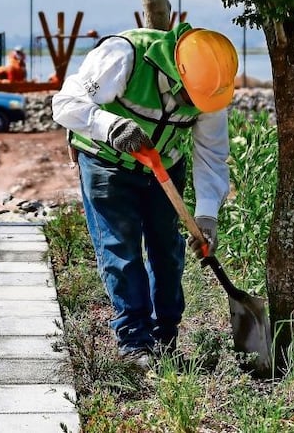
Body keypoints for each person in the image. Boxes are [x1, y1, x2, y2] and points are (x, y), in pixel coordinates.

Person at [51, 22, 237, 367]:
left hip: (163, 165)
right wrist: (111, 126)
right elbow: (64, 103)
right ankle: (134, 341)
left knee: (168, 252)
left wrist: (207, 214)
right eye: (190, 98)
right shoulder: (123, 55)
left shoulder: (211, 89)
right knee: (120, 250)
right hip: (105, 161)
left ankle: (165, 338)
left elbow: (211, 156)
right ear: (178, 75)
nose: (194, 106)